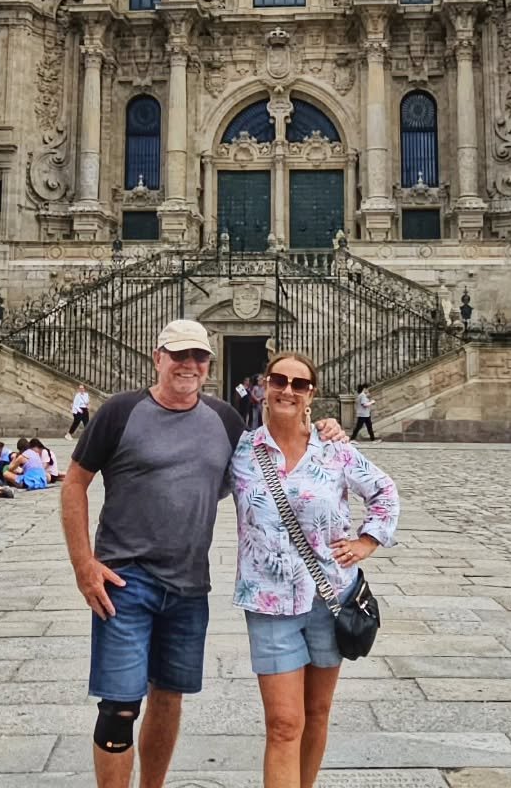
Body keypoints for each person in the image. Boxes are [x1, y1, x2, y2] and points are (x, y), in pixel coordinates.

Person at [62, 319, 346, 788]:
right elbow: (74, 483)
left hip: (189, 586)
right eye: (178, 355)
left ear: (209, 365)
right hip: (124, 581)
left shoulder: (226, 420)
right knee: (119, 708)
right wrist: (82, 564)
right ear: (158, 357)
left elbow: (275, 448)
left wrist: (322, 427)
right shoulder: (119, 412)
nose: (188, 365)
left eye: (198, 356)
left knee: (169, 697)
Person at [233, 355, 399, 788]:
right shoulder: (241, 451)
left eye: (299, 383)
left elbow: (384, 491)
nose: (287, 389)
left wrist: (367, 541)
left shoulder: (336, 449)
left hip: (331, 598)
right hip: (269, 601)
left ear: (311, 393)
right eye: (278, 380)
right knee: (284, 723)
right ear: (263, 386)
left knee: (317, 713)